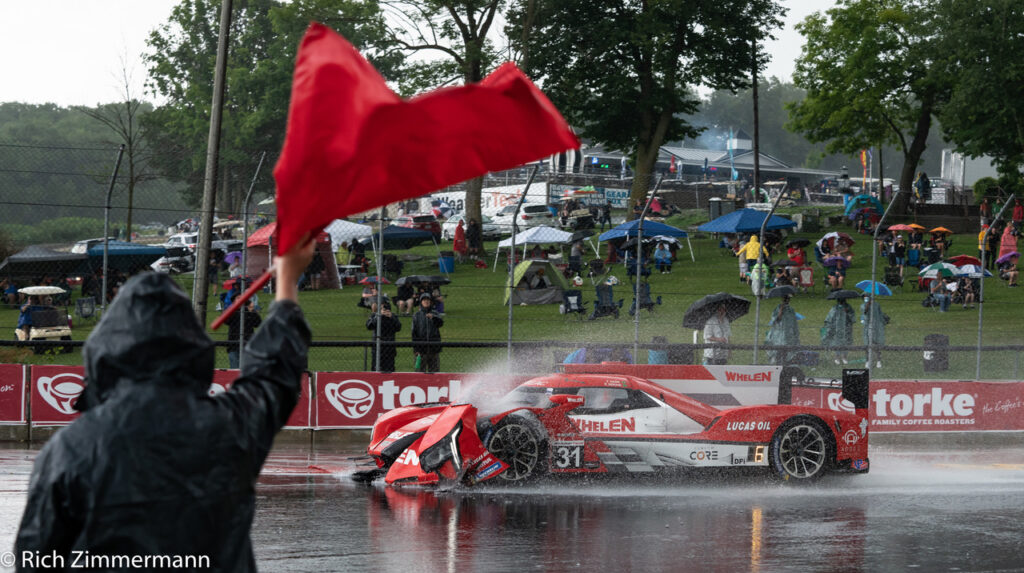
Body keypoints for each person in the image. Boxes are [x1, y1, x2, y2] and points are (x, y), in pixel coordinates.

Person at [15, 239, 313, 570]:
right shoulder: (229, 425)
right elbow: (274, 375)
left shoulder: (69, 449)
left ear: (106, 352)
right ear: (191, 349)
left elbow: (35, 557)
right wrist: (286, 284)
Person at [225, 297, 262, 369]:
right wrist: (234, 309)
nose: (240, 300)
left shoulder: (248, 311)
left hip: (247, 343)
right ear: (234, 301)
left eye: (241, 298)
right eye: (238, 298)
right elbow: (226, 321)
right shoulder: (231, 311)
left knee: (247, 368)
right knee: (234, 369)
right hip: (233, 343)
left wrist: (251, 311)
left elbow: (257, 323)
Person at [366, 300, 402, 372]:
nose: (384, 309)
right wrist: (378, 317)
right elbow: (369, 326)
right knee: (376, 369)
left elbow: (398, 327)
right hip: (377, 348)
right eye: (382, 307)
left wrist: (391, 317)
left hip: (390, 347)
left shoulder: (393, 316)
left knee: (390, 370)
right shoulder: (375, 315)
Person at [412, 292, 444, 373]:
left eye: (428, 300)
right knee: (419, 372)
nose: (426, 302)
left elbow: (440, 323)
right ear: (421, 302)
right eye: (424, 300)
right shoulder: (416, 315)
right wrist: (416, 349)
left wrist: (433, 318)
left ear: (431, 302)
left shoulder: (435, 313)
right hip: (421, 349)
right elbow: (414, 333)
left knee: (434, 372)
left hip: (434, 348)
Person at [765, 295, 799, 366]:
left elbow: (794, 322)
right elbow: (776, 319)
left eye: (788, 299)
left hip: (787, 334)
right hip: (778, 335)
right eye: (785, 299)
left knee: (786, 352)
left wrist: (795, 333)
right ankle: (778, 365)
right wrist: (781, 309)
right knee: (778, 351)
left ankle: (784, 365)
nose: (786, 300)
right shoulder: (778, 308)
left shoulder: (791, 310)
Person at [822, 296, 854, 364]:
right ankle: (837, 357)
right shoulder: (835, 308)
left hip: (846, 328)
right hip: (837, 328)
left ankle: (844, 357)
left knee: (846, 342)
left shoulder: (848, 307)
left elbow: (852, 318)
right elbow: (830, 318)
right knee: (837, 342)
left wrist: (847, 312)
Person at [860, 296, 888, 368]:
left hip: (876, 327)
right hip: (867, 327)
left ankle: (879, 361)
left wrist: (884, 321)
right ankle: (867, 361)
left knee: (876, 343)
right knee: (867, 344)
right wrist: (868, 305)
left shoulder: (877, 305)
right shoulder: (863, 305)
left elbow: (880, 314)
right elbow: (864, 312)